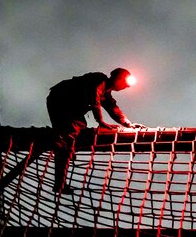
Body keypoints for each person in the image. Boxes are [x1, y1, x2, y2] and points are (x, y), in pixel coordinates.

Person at [47, 67, 144, 195]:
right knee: (67, 136)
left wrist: (128, 124)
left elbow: (113, 109)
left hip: (71, 108)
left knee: (77, 129)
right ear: (117, 78)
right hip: (60, 100)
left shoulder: (106, 93)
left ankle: (66, 150)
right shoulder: (99, 80)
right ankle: (59, 182)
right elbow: (94, 99)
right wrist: (101, 122)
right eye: (124, 83)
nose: (125, 87)